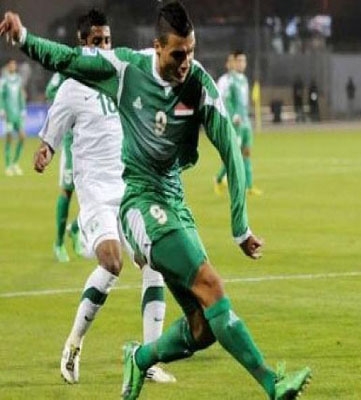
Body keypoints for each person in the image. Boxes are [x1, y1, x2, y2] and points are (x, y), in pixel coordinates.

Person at [0, 3, 312, 400]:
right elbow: (67, 58)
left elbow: (230, 148)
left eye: (191, 51)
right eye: (178, 54)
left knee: (202, 329)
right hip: (139, 202)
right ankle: (272, 383)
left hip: (174, 201)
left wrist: (240, 227)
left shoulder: (197, 82)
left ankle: (141, 357)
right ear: (158, 47)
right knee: (210, 284)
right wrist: (24, 37)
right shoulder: (127, 69)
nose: (186, 62)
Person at [33, 8, 175, 385]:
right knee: (112, 262)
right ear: (82, 43)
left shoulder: (123, 76)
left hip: (130, 186)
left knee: (155, 261)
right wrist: (45, 151)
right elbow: (50, 137)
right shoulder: (71, 88)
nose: (105, 47)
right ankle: (74, 344)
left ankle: (149, 358)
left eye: (108, 40)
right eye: (97, 41)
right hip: (95, 191)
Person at [45, 72, 84, 262]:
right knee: (67, 190)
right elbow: (50, 91)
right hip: (72, 141)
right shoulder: (65, 71)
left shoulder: (95, 69)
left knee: (99, 192)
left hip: (93, 141)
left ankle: (75, 228)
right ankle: (59, 243)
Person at [215, 49, 263, 196]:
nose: (243, 63)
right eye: (240, 61)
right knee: (234, 155)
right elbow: (227, 100)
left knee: (247, 153)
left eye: (244, 61)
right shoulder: (230, 80)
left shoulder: (244, 80)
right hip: (235, 123)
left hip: (245, 122)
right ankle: (218, 178)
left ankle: (249, 186)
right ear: (234, 62)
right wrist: (233, 115)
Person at [213, 52, 234, 195]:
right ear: (227, 64)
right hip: (227, 121)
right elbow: (218, 100)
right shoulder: (223, 81)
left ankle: (223, 177)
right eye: (231, 62)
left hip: (237, 123)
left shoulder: (240, 81)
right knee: (230, 151)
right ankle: (219, 178)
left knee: (235, 151)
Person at [0, 58, 26, 176]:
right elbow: (1, 95)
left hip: (18, 114)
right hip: (9, 114)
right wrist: (2, 109)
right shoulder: (4, 80)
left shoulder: (18, 79)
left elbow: (21, 95)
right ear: (7, 66)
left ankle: (15, 163)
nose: (13, 66)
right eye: (11, 64)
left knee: (22, 137)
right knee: (9, 137)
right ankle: (8, 166)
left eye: (14, 64)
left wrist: (23, 109)